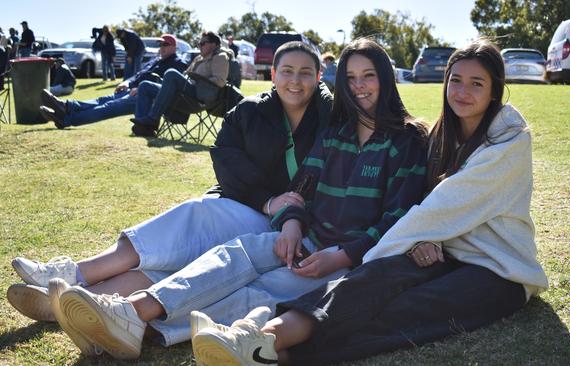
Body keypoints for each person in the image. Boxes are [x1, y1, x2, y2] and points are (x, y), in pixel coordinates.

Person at [48, 37, 428, 361]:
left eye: (369, 76)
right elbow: (300, 192)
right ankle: (131, 313)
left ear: (386, 79)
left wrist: (342, 256)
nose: (359, 86)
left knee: (259, 293)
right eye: (350, 78)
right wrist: (293, 225)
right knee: (233, 256)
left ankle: (142, 330)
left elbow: (399, 218)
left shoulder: (406, 140)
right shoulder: (336, 134)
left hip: (346, 262)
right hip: (308, 240)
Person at [190, 38, 550, 366]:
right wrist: (425, 241)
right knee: (371, 286)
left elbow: (447, 207)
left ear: (495, 91)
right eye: (456, 80)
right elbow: (427, 203)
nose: (462, 91)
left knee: (401, 311)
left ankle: (272, 348)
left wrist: (362, 253)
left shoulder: (509, 143)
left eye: (477, 83)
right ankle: (257, 341)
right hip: (440, 252)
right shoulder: (444, 135)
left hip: (496, 270)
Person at [7, 41, 332, 355]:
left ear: (318, 77)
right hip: (252, 205)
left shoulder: (331, 117)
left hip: (292, 223)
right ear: (272, 74)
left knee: (197, 234)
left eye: (305, 72)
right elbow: (226, 159)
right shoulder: (249, 110)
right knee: (183, 239)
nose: (295, 80)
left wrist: (287, 213)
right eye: (287, 71)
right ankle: (73, 289)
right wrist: (267, 201)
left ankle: (76, 289)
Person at [38, 34, 187, 129]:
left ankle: (66, 118)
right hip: (132, 90)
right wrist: (127, 83)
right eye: (160, 45)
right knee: (101, 100)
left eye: (165, 45)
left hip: (147, 96)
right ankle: (66, 107)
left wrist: (142, 88)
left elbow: (170, 87)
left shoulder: (178, 63)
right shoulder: (156, 60)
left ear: (174, 47)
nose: (162, 48)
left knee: (108, 106)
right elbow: (138, 75)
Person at [130, 31, 231, 137]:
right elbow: (185, 75)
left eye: (202, 43)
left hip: (199, 97)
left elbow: (220, 81)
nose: (199, 46)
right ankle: (142, 127)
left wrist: (199, 79)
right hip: (185, 93)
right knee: (145, 86)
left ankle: (153, 119)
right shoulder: (199, 58)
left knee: (171, 73)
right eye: (198, 44)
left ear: (213, 44)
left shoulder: (220, 57)